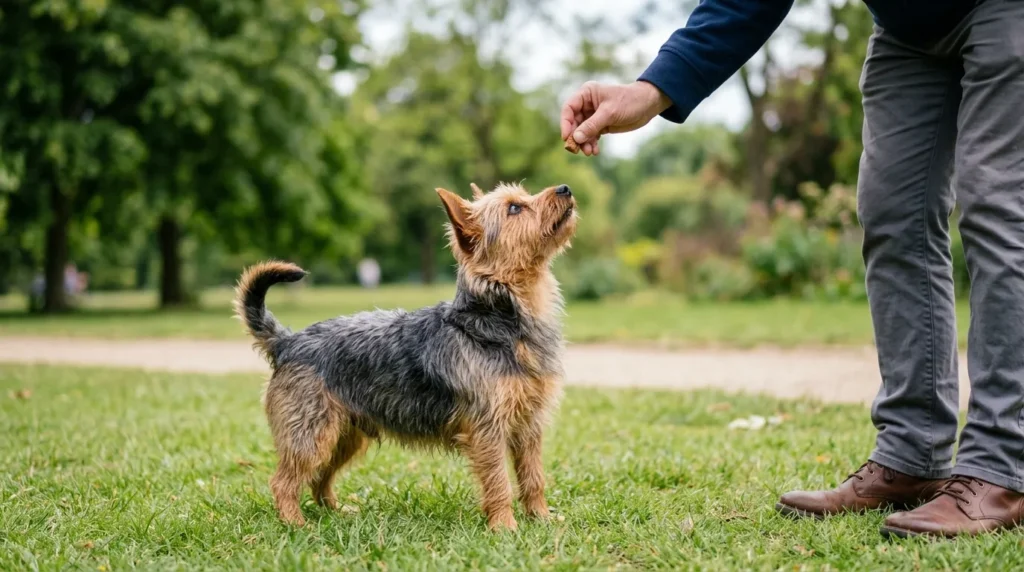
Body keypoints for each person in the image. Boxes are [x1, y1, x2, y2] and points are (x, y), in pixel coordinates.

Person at [562, 0, 1024, 538]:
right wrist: (649, 89)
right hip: (907, 28)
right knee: (892, 216)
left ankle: (1002, 465)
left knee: (998, 208)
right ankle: (912, 452)